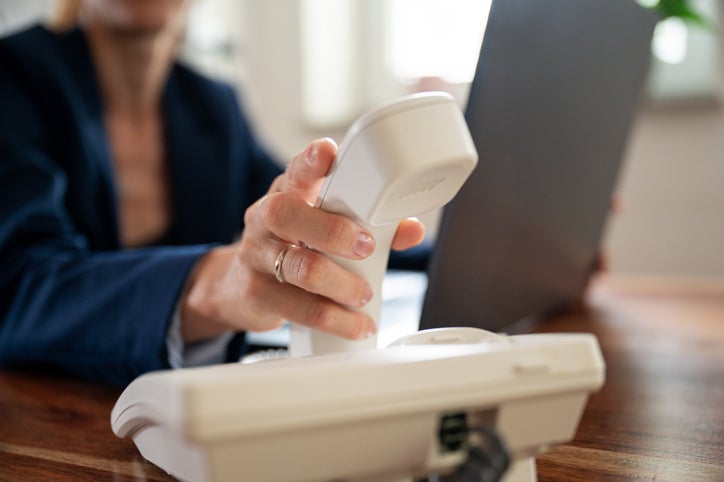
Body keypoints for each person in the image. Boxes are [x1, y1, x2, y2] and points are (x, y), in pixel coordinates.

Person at [0, 0, 425, 386]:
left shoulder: (213, 106)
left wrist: (444, 250)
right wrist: (214, 288)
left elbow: (301, 216)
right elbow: (17, 286)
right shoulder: (12, 78)